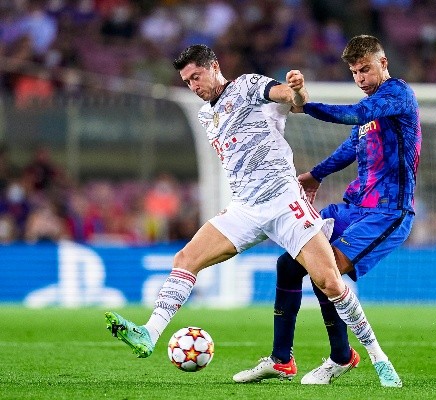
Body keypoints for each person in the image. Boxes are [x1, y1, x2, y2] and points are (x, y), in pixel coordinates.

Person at [104, 44, 401, 387]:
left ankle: (378, 357)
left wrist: (298, 89)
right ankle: (149, 333)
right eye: (187, 81)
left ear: (214, 67)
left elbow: (286, 94)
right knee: (185, 258)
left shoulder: (246, 86)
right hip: (245, 208)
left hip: (285, 203)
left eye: (196, 76)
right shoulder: (205, 115)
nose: (193, 86)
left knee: (330, 281)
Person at [233, 35, 420, 386]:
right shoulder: (374, 110)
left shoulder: (397, 95)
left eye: (366, 69)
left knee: (325, 269)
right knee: (289, 264)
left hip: (386, 212)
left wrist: (307, 106)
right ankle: (280, 359)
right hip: (354, 207)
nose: (361, 78)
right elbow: (352, 145)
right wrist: (315, 174)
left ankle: (340, 358)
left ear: (383, 63)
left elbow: (354, 115)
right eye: (354, 72)